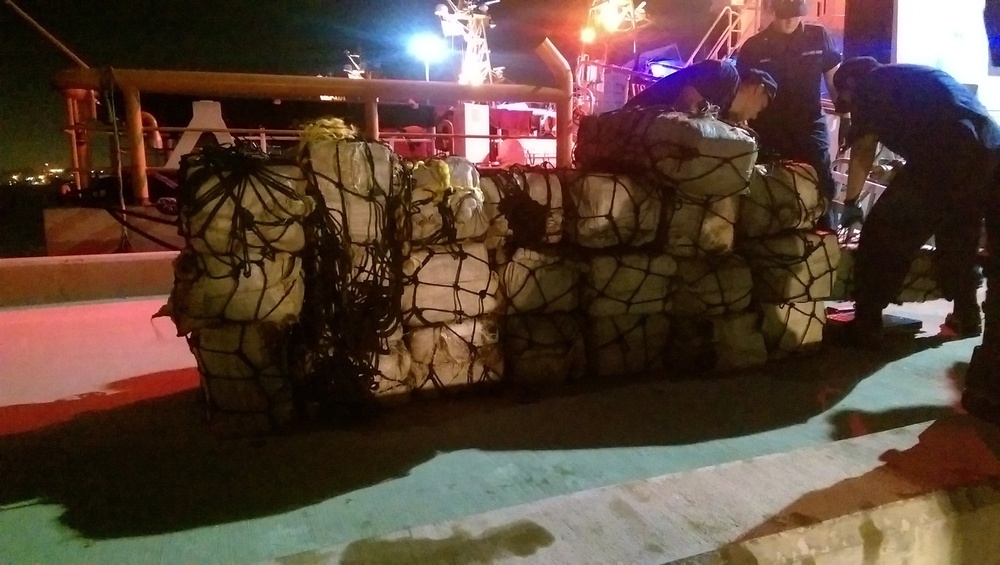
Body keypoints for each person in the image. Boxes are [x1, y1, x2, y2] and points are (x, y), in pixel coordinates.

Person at [831, 56, 1000, 427]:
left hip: (949, 150)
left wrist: (852, 204)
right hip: (989, 150)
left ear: (850, 85)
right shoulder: (908, 78)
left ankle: (867, 322)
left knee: (885, 231)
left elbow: (864, 148)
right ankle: (968, 313)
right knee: (959, 233)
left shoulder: (871, 87)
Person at [736, 0, 842, 228]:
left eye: (795, 15)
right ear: (771, 10)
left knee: (822, 188)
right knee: (768, 194)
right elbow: (741, 96)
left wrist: (846, 116)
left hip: (810, 128)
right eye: (784, 15)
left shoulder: (818, 36)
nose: (789, 20)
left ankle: (827, 243)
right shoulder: (754, 47)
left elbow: (834, 81)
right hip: (769, 132)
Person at [625, 59, 777, 123]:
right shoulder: (726, 74)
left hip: (643, 132)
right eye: (760, 107)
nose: (755, 116)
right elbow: (688, 99)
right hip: (631, 121)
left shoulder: (724, 106)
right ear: (758, 90)